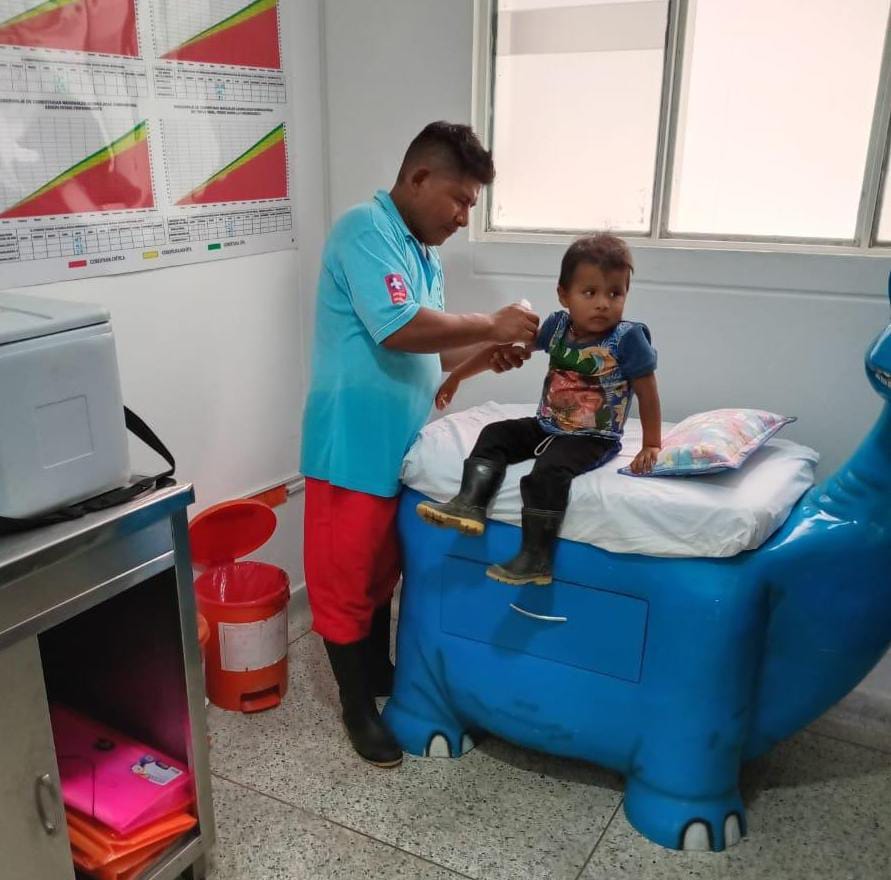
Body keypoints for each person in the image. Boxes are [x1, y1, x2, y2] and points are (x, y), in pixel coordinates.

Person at [300, 122, 539, 768]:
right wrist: (489, 322)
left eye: (471, 205)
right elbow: (398, 328)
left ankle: (377, 674)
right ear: (417, 178)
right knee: (345, 582)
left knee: (381, 575)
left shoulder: (422, 255)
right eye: (458, 200)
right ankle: (356, 709)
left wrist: (481, 356)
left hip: (399, 450)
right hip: (349, 449)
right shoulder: (363, 231)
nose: (463, 216)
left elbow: (429, 344)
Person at [417, 233, 661, 585]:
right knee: (496, 434)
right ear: (564, 294)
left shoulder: (627, 338)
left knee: (546, 473)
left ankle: (536, 558)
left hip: (594, 436)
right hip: (548, 425)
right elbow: (501, 348)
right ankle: (469, 504)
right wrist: (456, 377)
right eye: (590, 292)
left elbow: (647, 388)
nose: (603, 304)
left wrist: (651, 443)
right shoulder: (556, 327)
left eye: (615, 293)